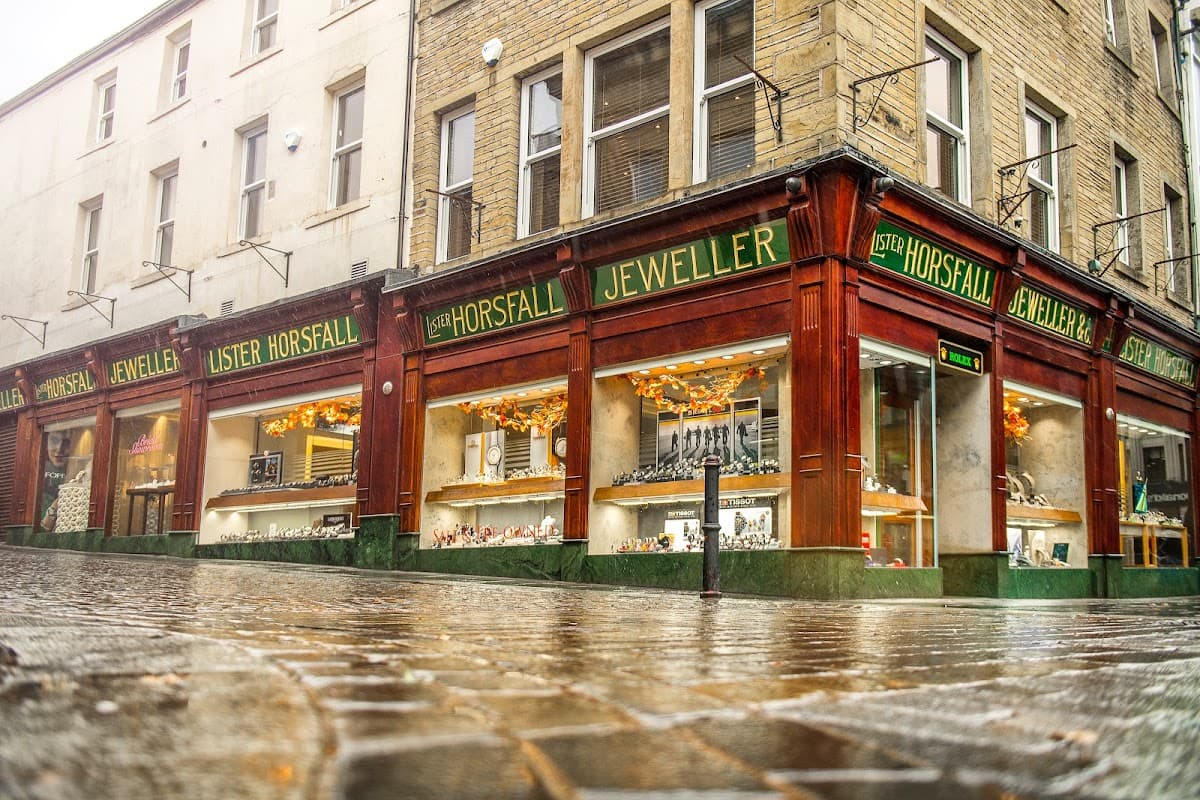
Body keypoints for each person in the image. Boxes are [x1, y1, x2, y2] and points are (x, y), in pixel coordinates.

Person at [40, 431, 71, 531]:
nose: (59, 449)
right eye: (54, 441)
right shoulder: (39, 470)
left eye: (66, 443)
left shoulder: (76, 471)